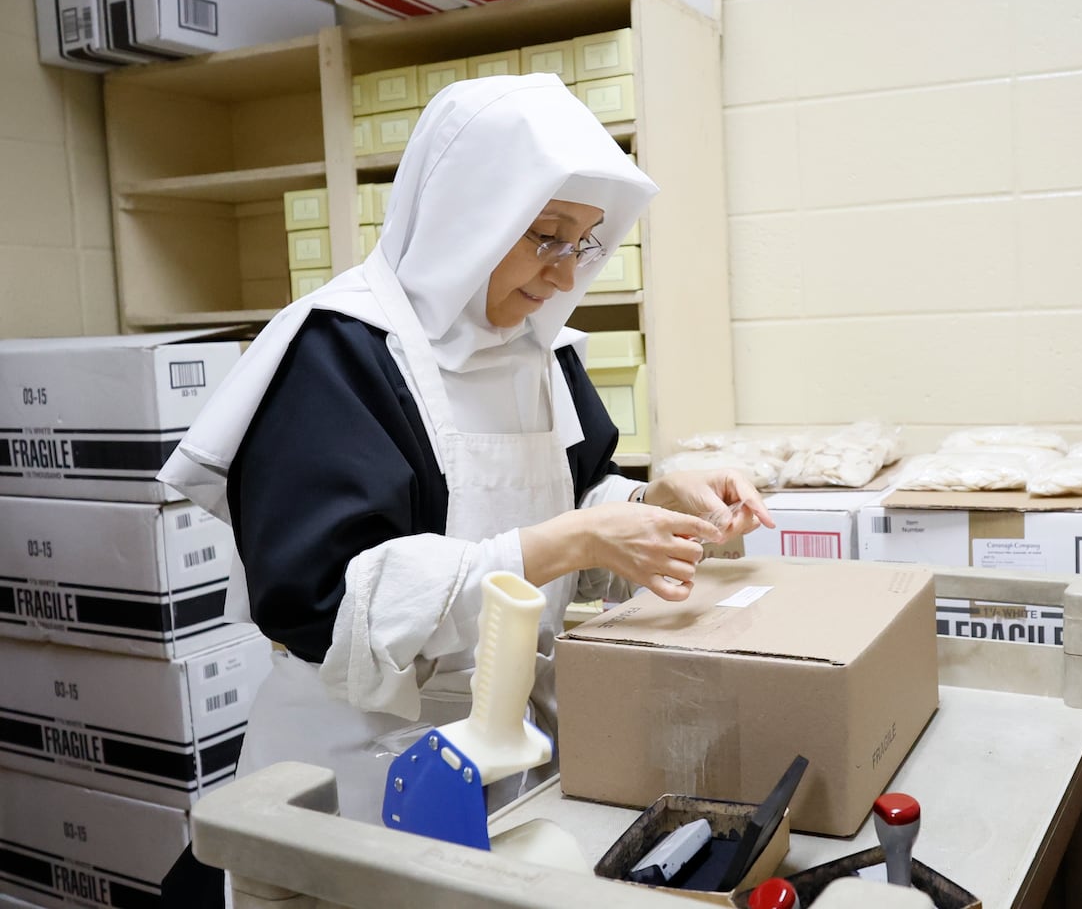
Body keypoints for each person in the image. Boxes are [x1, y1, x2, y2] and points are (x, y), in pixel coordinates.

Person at [156, 75, 771, 901]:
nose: (562, 274)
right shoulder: (339, 355)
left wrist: (657, 505)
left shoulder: (541, 354)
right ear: (463, 215)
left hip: (509, 751)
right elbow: (319, 606)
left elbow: (579, 496)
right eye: (545, 236)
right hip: (359, 766)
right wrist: (572, 542)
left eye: (584, 242)